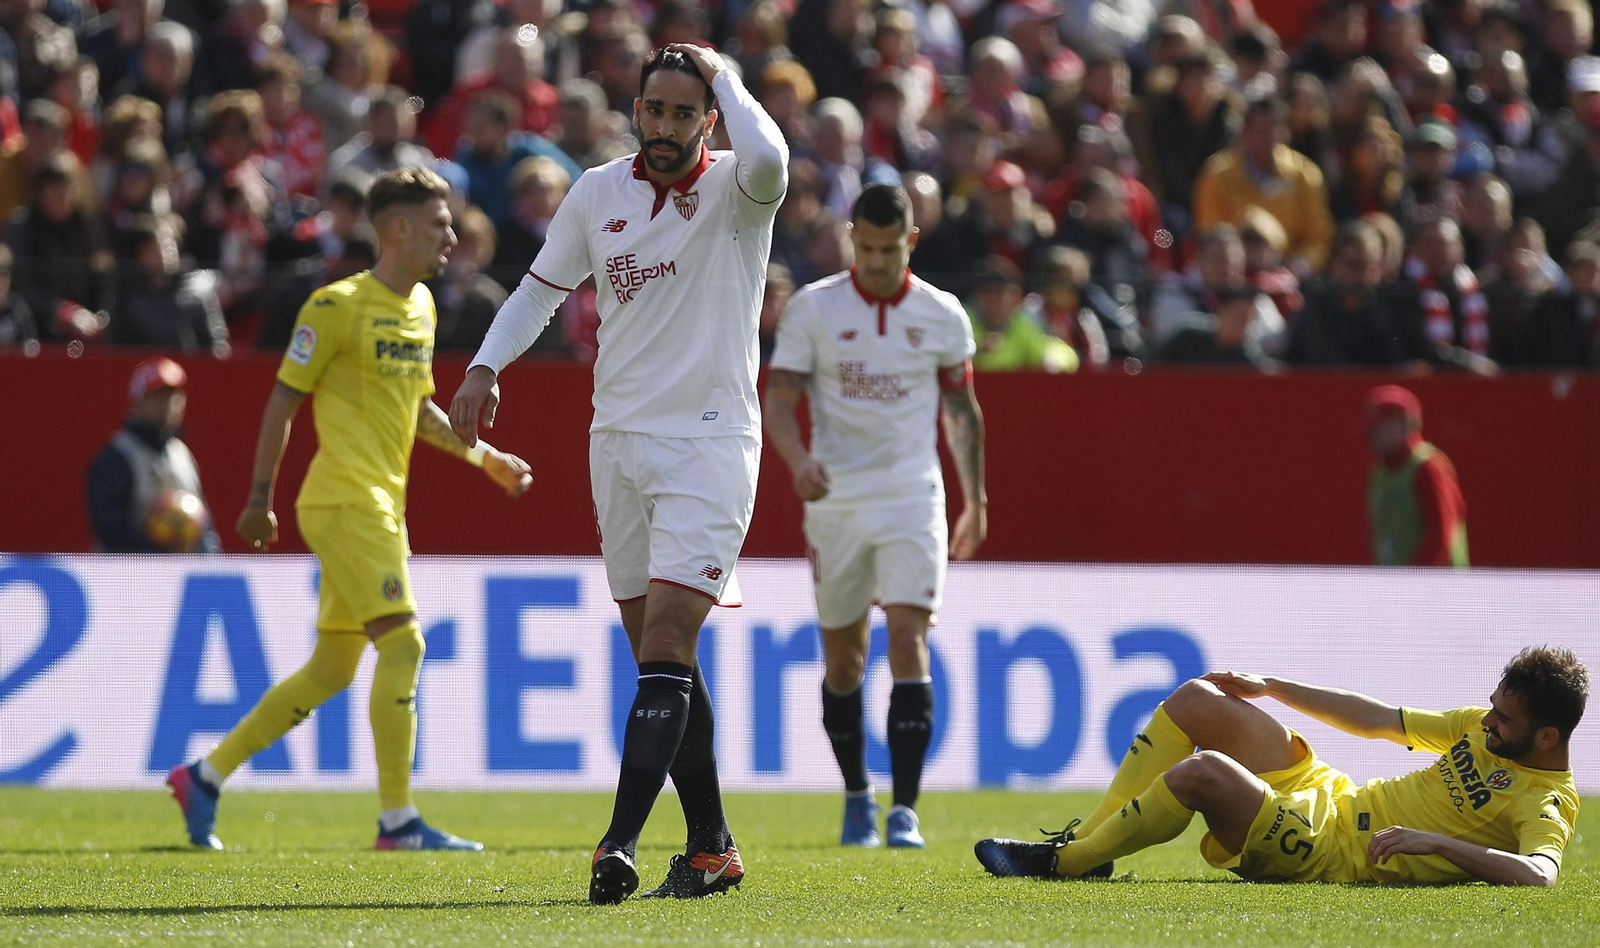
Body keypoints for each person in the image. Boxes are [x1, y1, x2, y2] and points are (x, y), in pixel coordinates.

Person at [449, 43, 788, 904]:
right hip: (619, 441)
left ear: (708, 118)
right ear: (635, 112)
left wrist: (726, 75)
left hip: (710, 443)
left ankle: (618, 841)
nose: (667, 126)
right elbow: (537, 291)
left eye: (685, 111)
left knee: (668, 646)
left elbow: (775, 155)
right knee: (658, 660)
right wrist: (486, 368)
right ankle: (712, 848)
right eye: (655, 110)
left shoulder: (740, 192)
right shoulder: (598, 190)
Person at [164, 167, 534, 853]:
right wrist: (256, 499)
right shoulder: (335, 306)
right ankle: (398, 822)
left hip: (381, 506)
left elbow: (417, 410)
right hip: (343, 499)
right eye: (439, 223)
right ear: (398, 228)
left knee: (333, 667)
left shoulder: (421, 306)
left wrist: (487, 458)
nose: (452, 234)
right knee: (405, 642)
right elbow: (282, 401)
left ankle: (205, 776)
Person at [764, 184, 984, 850]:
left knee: (911, 643)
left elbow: (962, 411)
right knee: (844, 660)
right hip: (836, 499)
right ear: (850, 238)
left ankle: (905, 811)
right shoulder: (814, 307)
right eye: (867, 247)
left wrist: (976, 497)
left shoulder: (942, 314)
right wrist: (798, 459)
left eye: (890, 249)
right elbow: (779, 397)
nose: (878, 260)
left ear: (910, 242)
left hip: (913, 495)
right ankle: (859, 794)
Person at [976, 646, 1586, 885]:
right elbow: (1373, 719)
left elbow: (1539, 876)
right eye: (1491, 709)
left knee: (1203, 772)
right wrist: (1270, 685)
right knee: (1195, 700)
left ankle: (1062, 863)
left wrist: (1436, 844)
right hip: (1330, 795)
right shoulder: (1481, 732)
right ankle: (1091, 843)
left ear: (1547, 737)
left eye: (1503, 720)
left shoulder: (1545, 803)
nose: (1487, 723)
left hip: (1330, 851)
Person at [85, 356, 221, 553]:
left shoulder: (182, 454)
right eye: (158, 396)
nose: (168, 404)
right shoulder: (116, 457)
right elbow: (111, 531)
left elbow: (203, 524)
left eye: (174, 396)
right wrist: (158, 557)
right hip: (126, 576)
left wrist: (211, 564)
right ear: (138, 401)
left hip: (181, 575)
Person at [1363, 385, 1469, 569]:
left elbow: (1440, 535)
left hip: (1436, 588)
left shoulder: (1428, 467)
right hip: (1399, 588)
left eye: (1380, 426)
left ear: (1403, 423)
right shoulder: (1379, 473)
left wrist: (1411, 582)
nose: (1372, 436)